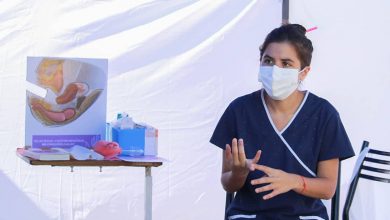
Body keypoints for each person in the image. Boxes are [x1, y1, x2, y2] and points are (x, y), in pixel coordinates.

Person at [210, 24, 355, 220]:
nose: (275, 69)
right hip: (249, 215)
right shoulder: (239, 111)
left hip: (305, 216)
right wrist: (239, 173)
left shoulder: (324, 114)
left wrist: (294, 181)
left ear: (303, 72)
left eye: (286, 63)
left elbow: (328, 189)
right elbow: (228, 184)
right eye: (268, 61)